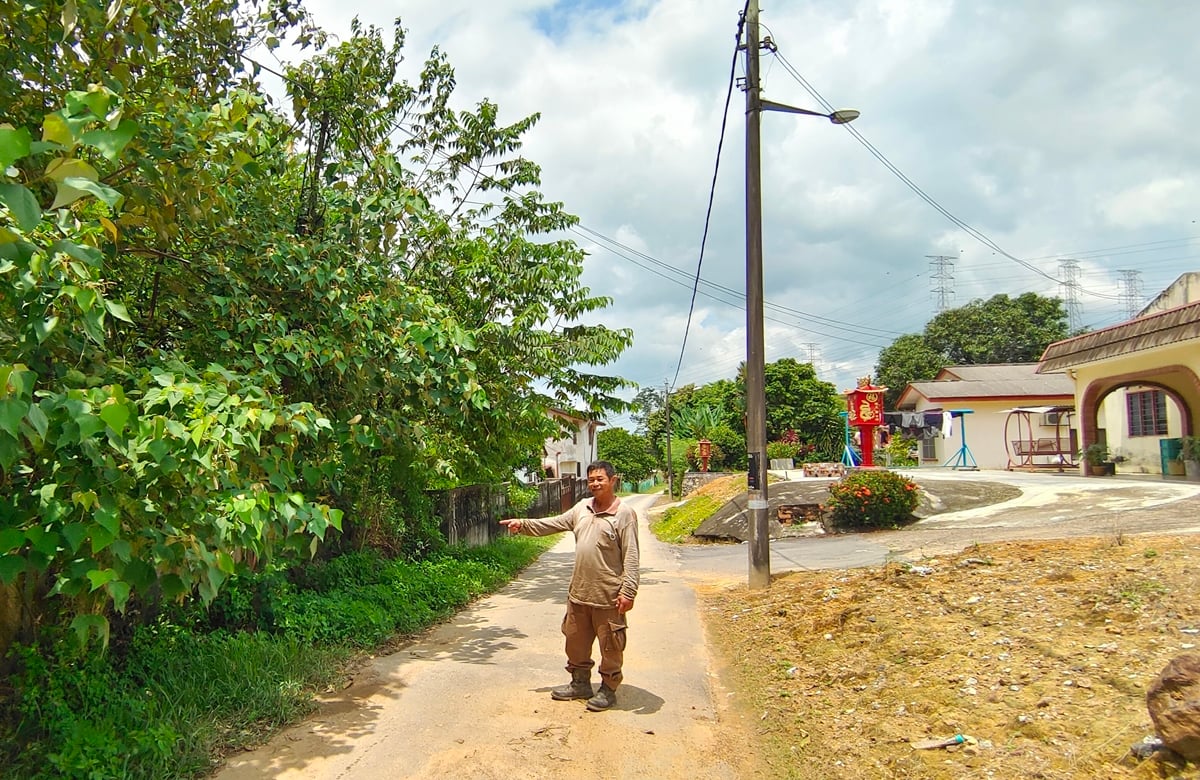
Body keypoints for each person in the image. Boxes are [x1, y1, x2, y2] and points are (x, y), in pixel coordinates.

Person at [499, 460, 639, 711]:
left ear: (612, 480)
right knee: (574, 642)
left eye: (600, 479)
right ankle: (580, 683)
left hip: (608, 596)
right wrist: (523, 524)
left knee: (611, 646)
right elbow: (554, 523)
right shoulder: (581, 508)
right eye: (591, 480)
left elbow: (631, 556)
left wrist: (628, 591)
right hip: (579, 594)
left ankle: (608, 689)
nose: (595, 484)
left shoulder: (624, 514)